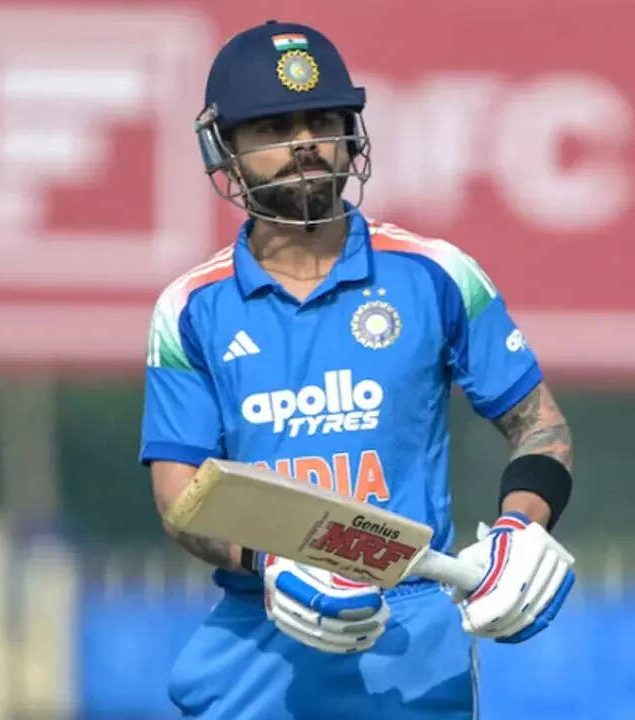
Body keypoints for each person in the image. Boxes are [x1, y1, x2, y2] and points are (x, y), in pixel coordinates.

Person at [140, 20, 575, 719]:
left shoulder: (436, 274)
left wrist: (519, 530)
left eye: (322, 121)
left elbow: (540, 428)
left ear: (351, 135)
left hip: (413, 641)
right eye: (273, 128)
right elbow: (179, 495)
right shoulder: (190, 308)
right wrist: (273, 560)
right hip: (261, 636)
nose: (304, 143)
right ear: (225, 149)